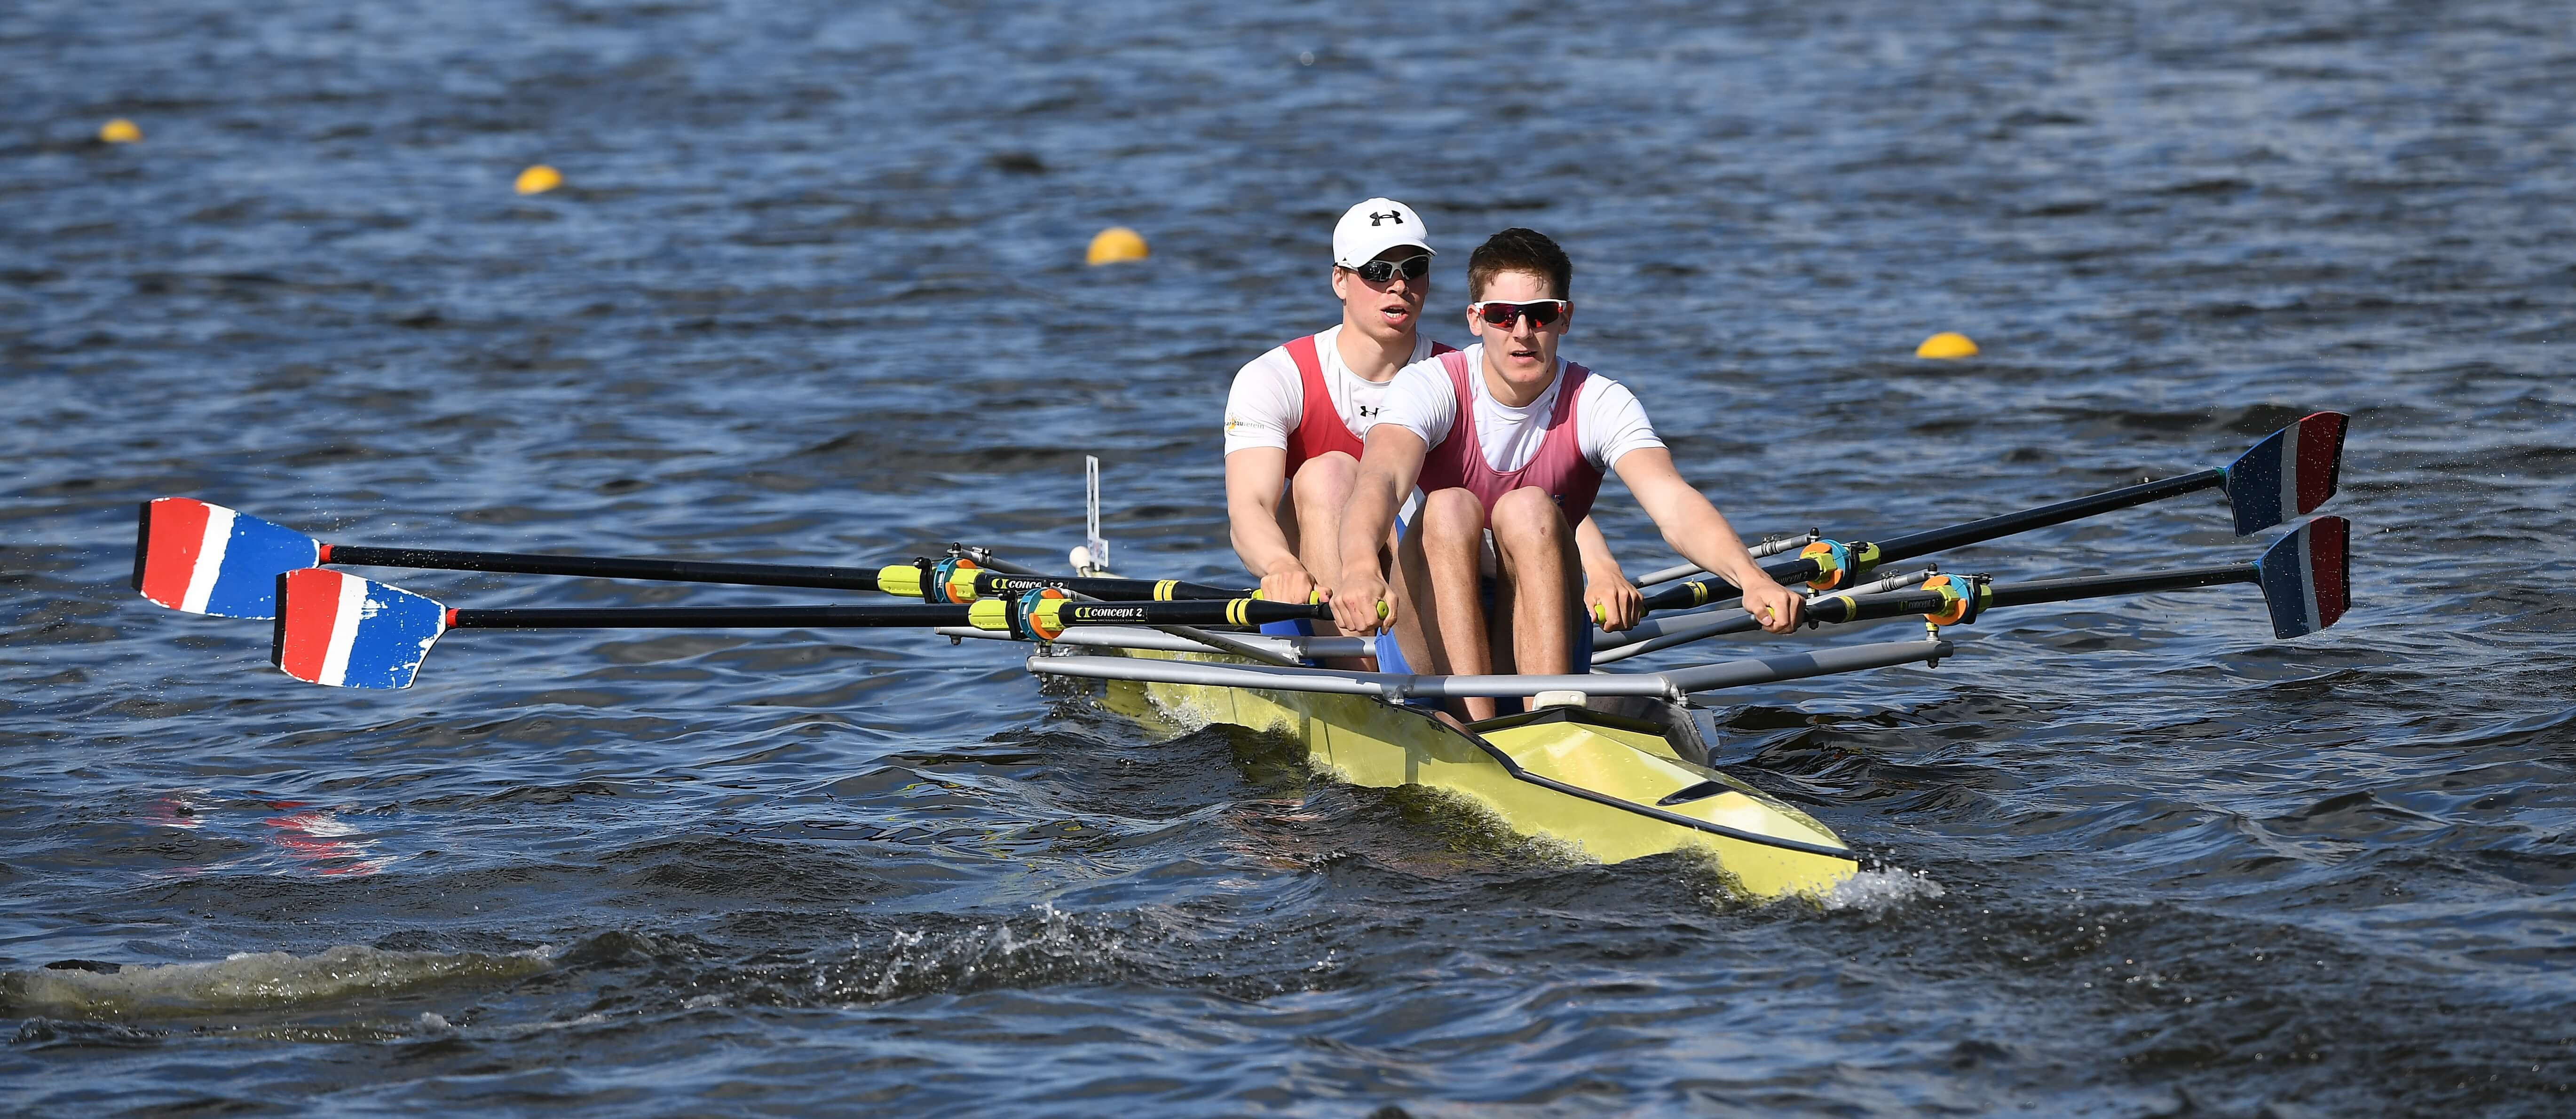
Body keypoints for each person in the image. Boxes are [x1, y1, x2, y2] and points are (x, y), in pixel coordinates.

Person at [1327, 227, 1802, 719]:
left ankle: (1551, 721)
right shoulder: (1429, 386)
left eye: (1541, 314)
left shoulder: (1599, 401)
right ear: (1476, 320)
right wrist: (1361, 567)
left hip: (1539, 621)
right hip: (1427, 638)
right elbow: (1380, 479)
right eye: (1502, 315)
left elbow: (1674, 503)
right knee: (1449, 505)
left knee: (1529, 507)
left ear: (1565, 318)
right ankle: (1476, 726)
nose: (1522, 332)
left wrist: (1751, 578)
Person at [1223, 203, 1639, 665]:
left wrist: (1601, 566)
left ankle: (1486, 695)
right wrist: (1280, 566)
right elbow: (1248, 511)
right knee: (1329, 475)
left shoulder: (1463, 374)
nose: (1398, 285)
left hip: (1432, 576)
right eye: (1378, 270)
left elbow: (1544, 484)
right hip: (1316, 597)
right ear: (1340, 280)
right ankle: (1356, 687)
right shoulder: (1276, 378)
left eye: (1414, 269)